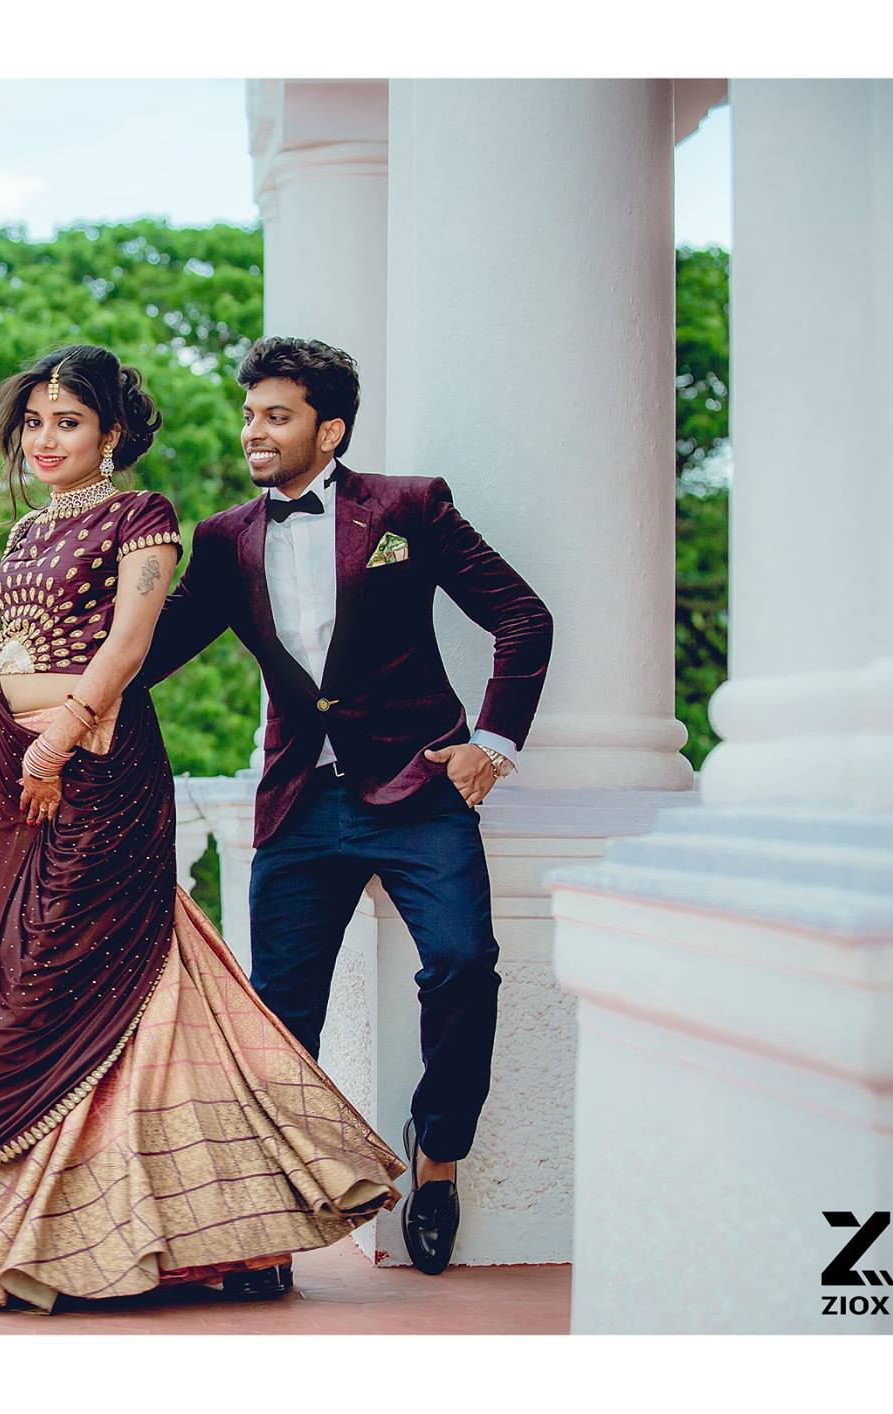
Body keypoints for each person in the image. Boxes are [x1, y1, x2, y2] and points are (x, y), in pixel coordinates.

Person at [0, 344, 404, 1312]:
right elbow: (6, 655)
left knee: (64, 967)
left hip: (96, 771)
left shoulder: (143, 518)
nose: (44, 440)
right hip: (24, 769)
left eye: (68, 423)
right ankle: (78, 1218)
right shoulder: (19, 540)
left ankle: (150, 1229)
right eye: (33, 423)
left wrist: (57, 736)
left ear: (112, 435)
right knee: (14, 972)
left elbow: (126, 648)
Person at [137, 335, 553, 1277]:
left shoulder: (410, 507)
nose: (255, 430)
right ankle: (275, 1221)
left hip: (421, 791)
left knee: (462, 965)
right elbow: (146, 658)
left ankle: (437, 1154)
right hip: (300, 802)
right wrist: (10, 688)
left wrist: (492, 744)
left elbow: (523, 616)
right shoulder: (224, 537)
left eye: (276, 415)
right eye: (249, 414)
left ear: (329, 429)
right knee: (281, 1017)